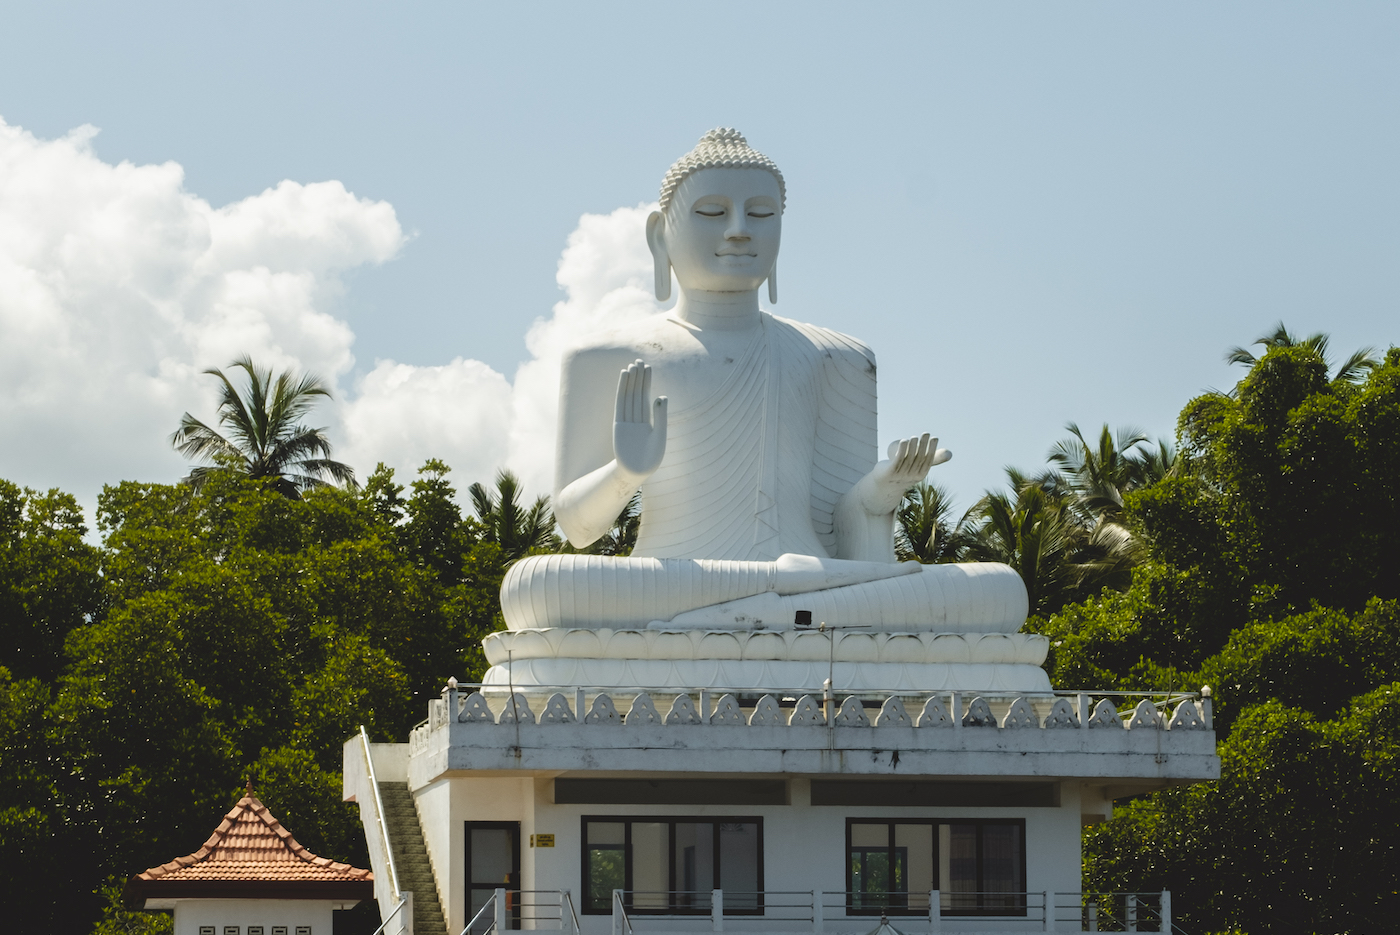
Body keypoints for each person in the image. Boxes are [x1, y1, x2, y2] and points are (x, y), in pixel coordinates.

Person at [500, 129, 1026, 633]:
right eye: (712, 212)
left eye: (760, 214)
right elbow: (577, 530)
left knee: (999, 590)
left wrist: (880, 492)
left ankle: (759, 612)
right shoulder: (608, 355)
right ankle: (764, 610)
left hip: (819, 586)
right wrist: (625, 472)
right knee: (542, 585)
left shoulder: (835, 357)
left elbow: (850, 545)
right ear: (661, 234)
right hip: (676, 582)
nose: (738, 229)